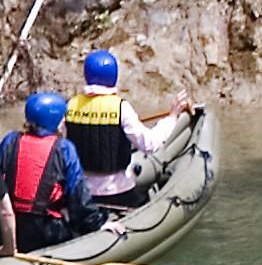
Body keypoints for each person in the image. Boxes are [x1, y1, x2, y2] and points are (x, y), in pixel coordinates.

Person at [67, 49, 192, 220]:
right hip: (118, 194)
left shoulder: (70, 105)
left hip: (83, 194)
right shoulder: (121, 107)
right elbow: (149, 144)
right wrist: (172, 117)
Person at [0, 92, 87, 255]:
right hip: (47, 232)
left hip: (6, 230)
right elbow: (78, 196)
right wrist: (96, 223)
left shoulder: (10, 140)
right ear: (55, 121)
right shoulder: (65, 148)